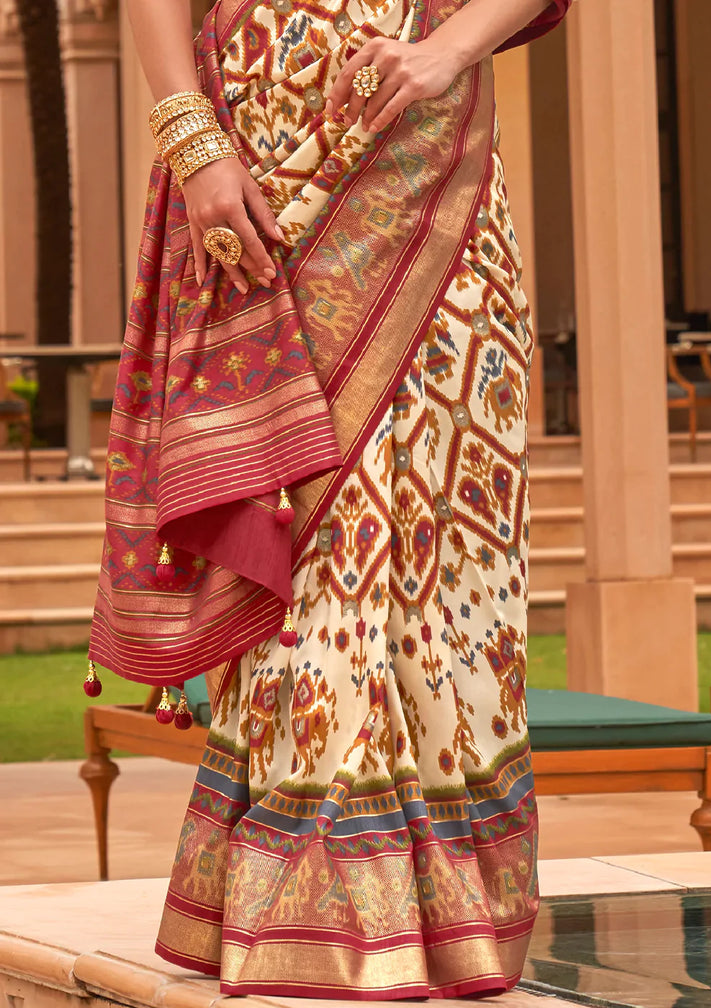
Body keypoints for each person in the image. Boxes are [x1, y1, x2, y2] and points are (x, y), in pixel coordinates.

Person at [87, 0, 571, 997]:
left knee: (448, 533)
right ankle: (310, 906)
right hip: (271, 169)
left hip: (436, 172)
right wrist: (193, 142)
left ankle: (451, 910)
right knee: (310, 538)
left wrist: (450, 49)